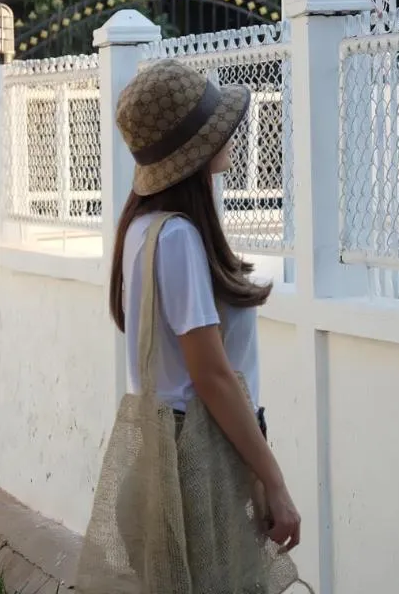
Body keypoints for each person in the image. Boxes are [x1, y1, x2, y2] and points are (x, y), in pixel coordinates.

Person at [108, 57, 301, 562]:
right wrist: (273, 480)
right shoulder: (178, 238)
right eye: (218, 127)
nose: (230, 134)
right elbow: (212, 377)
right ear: (196, 151)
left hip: (168, 461)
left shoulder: (141, 229)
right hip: (196, 468)